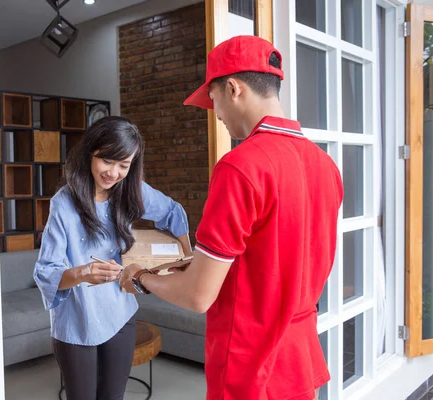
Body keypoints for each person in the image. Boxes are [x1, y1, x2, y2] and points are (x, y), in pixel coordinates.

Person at [120, 35, 343, 400]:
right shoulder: (325, 166)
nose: (217, 115)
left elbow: (197, 296)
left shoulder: (241, 167)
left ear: (234, 88)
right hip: (299, 356)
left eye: (213, 100)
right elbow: (282, 255)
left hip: (250, 363)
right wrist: (200, 265)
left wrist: (141, 277)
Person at [33, 116, 191, 400]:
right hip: (76, 320)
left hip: (119, 313)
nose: (113, 172)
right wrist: (83, 273)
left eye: (124, 165)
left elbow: (173, 212)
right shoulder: (64, 203)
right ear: (90, 152)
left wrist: (185, 256)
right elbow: (47, 271)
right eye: (107, 160)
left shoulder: (132, 190)